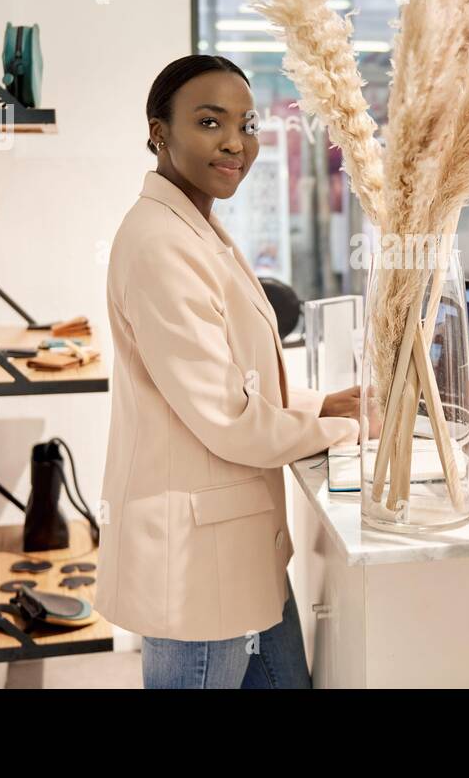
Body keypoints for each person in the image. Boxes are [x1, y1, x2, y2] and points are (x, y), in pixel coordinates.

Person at [95, 55, 361, 688]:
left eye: (247, 123)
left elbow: (238, 381)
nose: (235, 143)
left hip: (238, 550)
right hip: (197, 564)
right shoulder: (160, 243)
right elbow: (229, 420)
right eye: (209, 121)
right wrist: (341, 430)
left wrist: (320, 407)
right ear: (158, 131)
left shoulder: (196, 227)